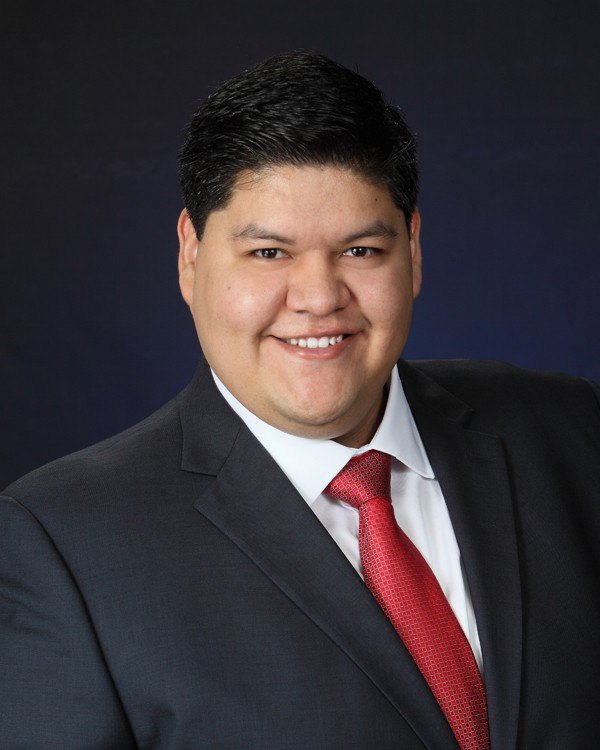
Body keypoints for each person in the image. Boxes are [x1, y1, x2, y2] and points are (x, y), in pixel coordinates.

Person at [1, 51, 599, 750]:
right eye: (269, 254)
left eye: (361, 250)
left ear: (413, 250)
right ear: (191, 256)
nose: (319, 298)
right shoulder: (62, 543)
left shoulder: (569, 431)